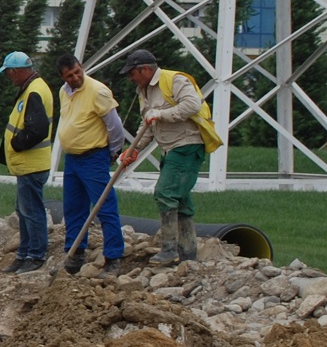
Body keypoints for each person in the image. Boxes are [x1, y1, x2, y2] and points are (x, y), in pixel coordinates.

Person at [124, 47, 222, 268]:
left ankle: (169, 250)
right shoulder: (144, 91)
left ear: (145, 69)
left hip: (187, 145)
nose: (130, 78)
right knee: (181, 200)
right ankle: (188, 253)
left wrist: (161, 114)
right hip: (169, 149)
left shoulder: (174, 81)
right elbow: (148, 125)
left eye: (132, 73)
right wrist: (134, 149)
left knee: (165, 193)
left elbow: (192, 105)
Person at [54, 53, 131, 276]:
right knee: (73, 208)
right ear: (63, 77)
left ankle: (113, 256)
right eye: (70, 75)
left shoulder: (98, 91)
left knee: (104, 207)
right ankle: (75, 252)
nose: (76, 77)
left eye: (78, 72)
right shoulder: (63, 92)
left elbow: (115, 126)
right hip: (73, 159)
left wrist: (112, 151)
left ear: (82, 68)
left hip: (93, 157)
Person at [0, 51, 54, 273]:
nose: (9, 78)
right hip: (28, 165)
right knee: (25, 210)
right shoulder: (32, 88)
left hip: (32, 164)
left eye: (9, 73)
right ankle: (25, 254)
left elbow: (37, 129)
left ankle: (36, 255)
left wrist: (18, 144)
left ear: (16, 71)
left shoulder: (34, 91)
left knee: (31, 211)